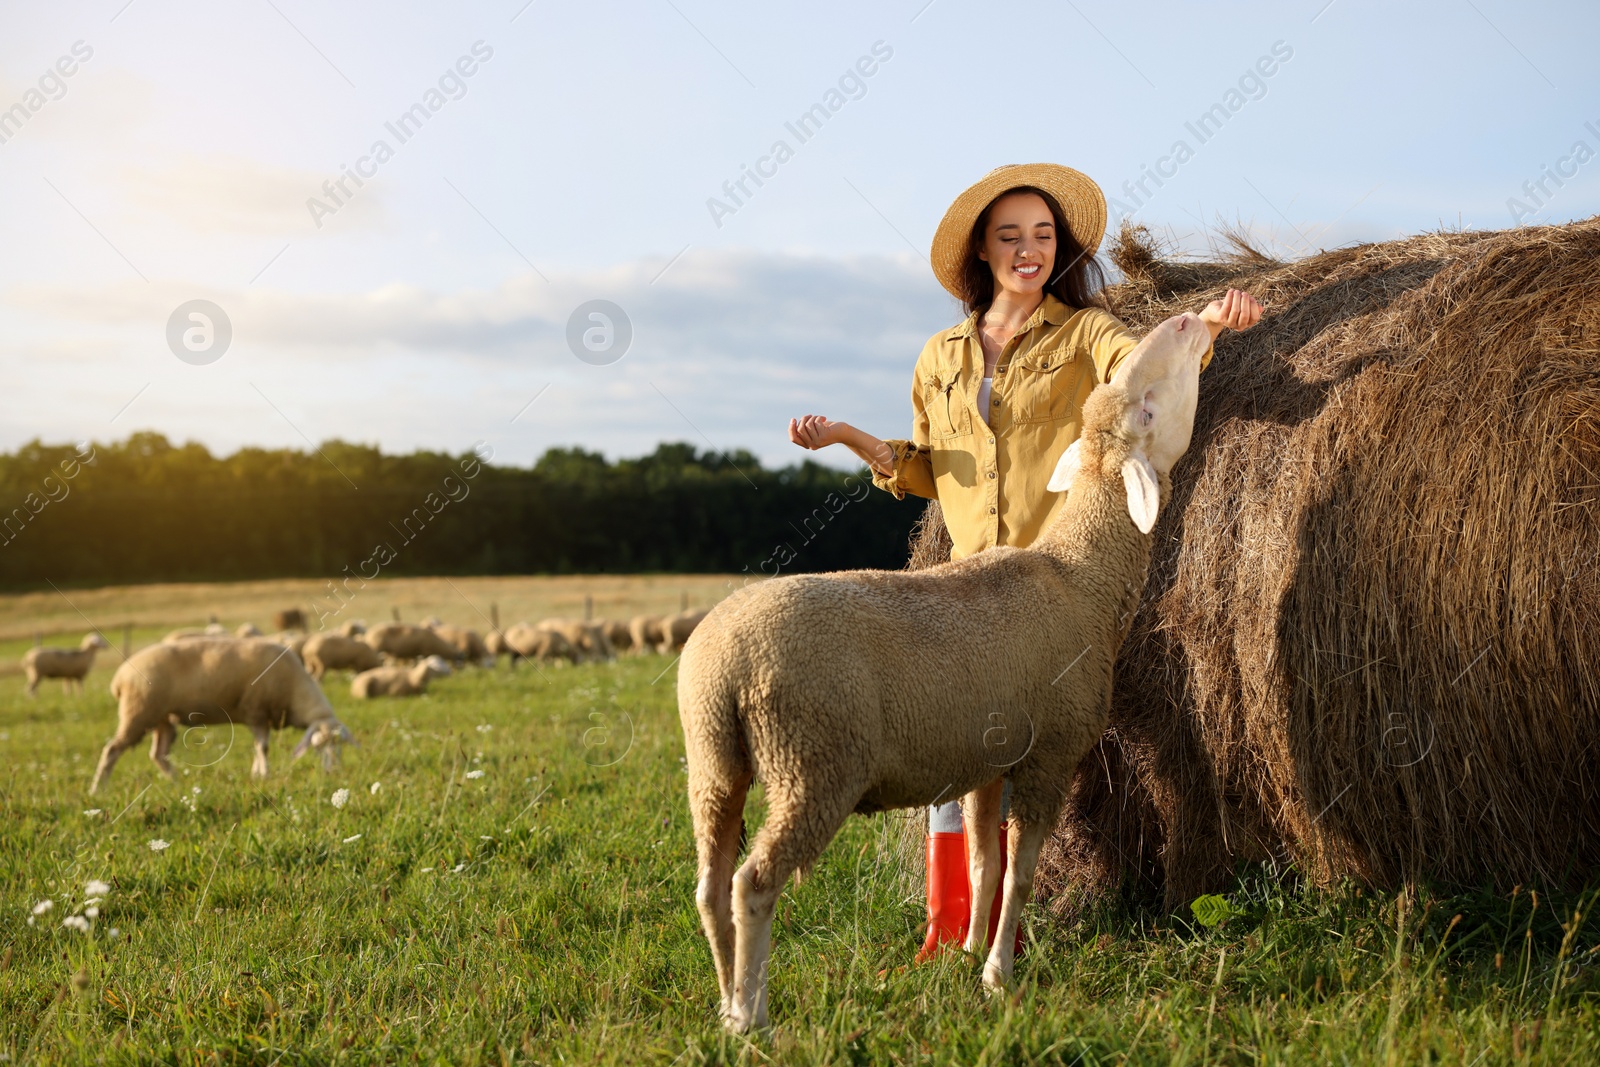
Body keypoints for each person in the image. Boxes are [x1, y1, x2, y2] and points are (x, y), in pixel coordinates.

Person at [787, 163, 1263, 960]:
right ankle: (948, 931)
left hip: (1047, 583)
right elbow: (927, 468)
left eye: (1043, 234)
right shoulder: (940, 354)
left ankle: (1011, 926)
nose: (1029, 249)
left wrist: (1209, 324)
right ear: (982, 250)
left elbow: (1141, 374)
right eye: (1010, 235)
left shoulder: (1083, 333)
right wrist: (845, 437)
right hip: (962, 583)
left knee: (1023, 757)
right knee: (947, 749)